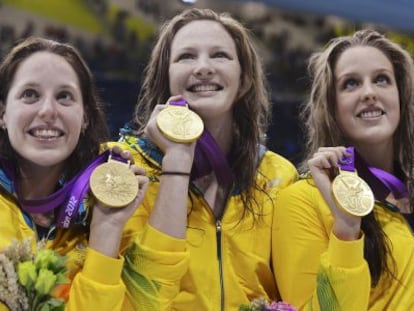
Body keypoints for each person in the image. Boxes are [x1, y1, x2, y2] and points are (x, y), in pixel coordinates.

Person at [108, 7, 298, 310]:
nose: (203, 67)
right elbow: (142, 300)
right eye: (186, 57)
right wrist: (176, 166)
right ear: (165, 77)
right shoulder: (126, 169)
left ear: (245, 80)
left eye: (220, 55)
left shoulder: (279, 176)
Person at [0, 37, 148, 310]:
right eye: (30, 94)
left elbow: (151, 300)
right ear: (3, 113)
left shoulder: (104, 205)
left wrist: (107, 228)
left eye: (64, 96)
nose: (47, 111)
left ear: (85, 118)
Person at [274, 29, 414, 310]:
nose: (369, 93)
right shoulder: (303, 201)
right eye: (351, 84)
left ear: (400, 96)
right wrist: (347, 230)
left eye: (382, 80)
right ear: (331, 107)